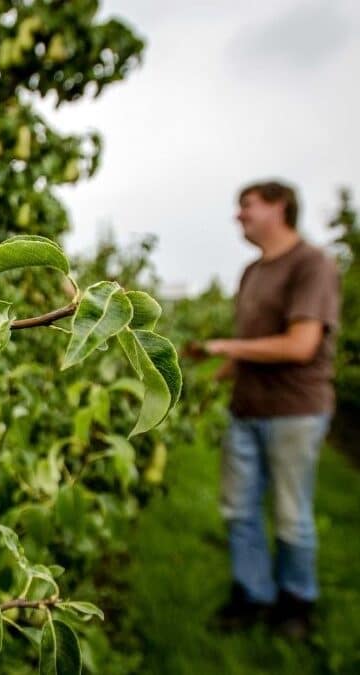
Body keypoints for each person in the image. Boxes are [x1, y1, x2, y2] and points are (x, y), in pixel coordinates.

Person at [201, 180, 340, 640]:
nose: (239, 216)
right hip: (247, 409)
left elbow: (302, 345)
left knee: (290, 511)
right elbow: (250, 350)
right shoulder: (251, 272)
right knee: (238, 509)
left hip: (294, 410)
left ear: (279, 207)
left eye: (247, 206)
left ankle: (296, 602)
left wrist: (226, 344)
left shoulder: (311, 264)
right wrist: (207, 379)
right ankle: (252, 595)